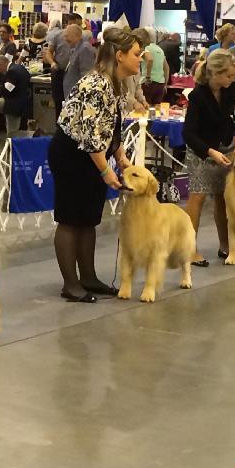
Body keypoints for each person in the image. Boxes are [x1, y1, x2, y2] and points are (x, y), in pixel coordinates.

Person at [48, 30, 142, 302]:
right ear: (120, 55)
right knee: (69, 219)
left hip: (92, 153)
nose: (140, 58)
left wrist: (121, 157)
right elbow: (89, 136)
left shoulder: (115, 84)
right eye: (136, 54)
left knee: (88, 219)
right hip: (72, 155)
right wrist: (106, 170)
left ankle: (88, 277)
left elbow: (109, 127)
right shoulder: (96, 84)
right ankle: (70, 284)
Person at [183, 50, 235, 267]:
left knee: (224, 197)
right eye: (229, 76)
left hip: (226, 147)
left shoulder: (232, 89)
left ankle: (227, 246)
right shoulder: (197, 96)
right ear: (215, 73)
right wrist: (210, 152)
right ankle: (190, 249)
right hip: (201, 151)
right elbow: (189, 133)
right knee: (198, 198)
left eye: (234, 76)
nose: (233, 80)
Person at [0, 55, 31, 138]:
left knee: (12, 134)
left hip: (13, 104)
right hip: (22, 102)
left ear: (1, 64)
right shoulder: (21, 68)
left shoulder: (12, 72)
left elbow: (6, 91)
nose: (0, 71)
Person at [62, 23, 96, 98]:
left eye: (67, 36)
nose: (65, 39)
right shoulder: (77, 48)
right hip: (72, 95)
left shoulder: (85, 48)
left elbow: (86, 75)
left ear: (76, 35)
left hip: (78, 96)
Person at [43, 19, 69, 118]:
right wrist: (53, 63)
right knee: (58, 102)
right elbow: (48, 52)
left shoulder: (82, 38)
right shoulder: (57, 36)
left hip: (72, 74)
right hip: (59, 72)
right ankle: (58, 129)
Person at [137, 27, 169, 105]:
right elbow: (166, 68)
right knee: (157, 109)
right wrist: (165, 83)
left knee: (146, 107)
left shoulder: (146, 47)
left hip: (148, 82)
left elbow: (150, 59)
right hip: (160, 83)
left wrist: (148, 77)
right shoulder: (160, 49)